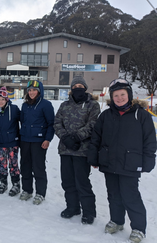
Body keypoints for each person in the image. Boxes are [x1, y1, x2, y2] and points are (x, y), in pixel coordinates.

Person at [88, 79, 156, 243]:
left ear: (129, 95)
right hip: (109, 162)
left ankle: (139, 228)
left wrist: (148, 160)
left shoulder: (142, 115)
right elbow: (96, 138)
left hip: (130, 163)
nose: (119, 98)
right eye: (116, 95)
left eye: (122, 95)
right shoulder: (106, 115)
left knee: (130, 196)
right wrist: (94, 156)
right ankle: (117, 221)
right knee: (113, 195)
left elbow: (150, 140)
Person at [54, 76, 100, 224]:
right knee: (67, 181)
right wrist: (66, 138)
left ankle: (89, 211)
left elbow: (93, 124)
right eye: (75, 86)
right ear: (71, 89)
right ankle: (72, 207)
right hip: (65, 149)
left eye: (80, 85)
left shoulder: (92, 105)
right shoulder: (64, 105)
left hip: (82, 150)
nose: (77, 88)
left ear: (85, 88)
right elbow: (57, 123)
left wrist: (76, 137)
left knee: (82, 182)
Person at [19, 80, 55, 205]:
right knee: (25, 167)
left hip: (39, 142)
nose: (32, 92)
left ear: (39, 91)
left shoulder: (46, 105)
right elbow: (22, 121)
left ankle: (40, 193)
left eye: (34, 90)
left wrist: (47, 139)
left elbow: (51, 124)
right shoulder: (25, 105)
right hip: (25, 140)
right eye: (29, 90)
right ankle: (27, 190)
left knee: (38, 168)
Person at [0, 87, 21, 196]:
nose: (0, 101)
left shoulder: (14, 109)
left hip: (13, 141)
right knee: (2, 164)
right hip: (1, 142)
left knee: (13, 163)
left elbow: (23, 120)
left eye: (3, 99)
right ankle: (3, 183)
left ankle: (16, 184)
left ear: (7, 100)